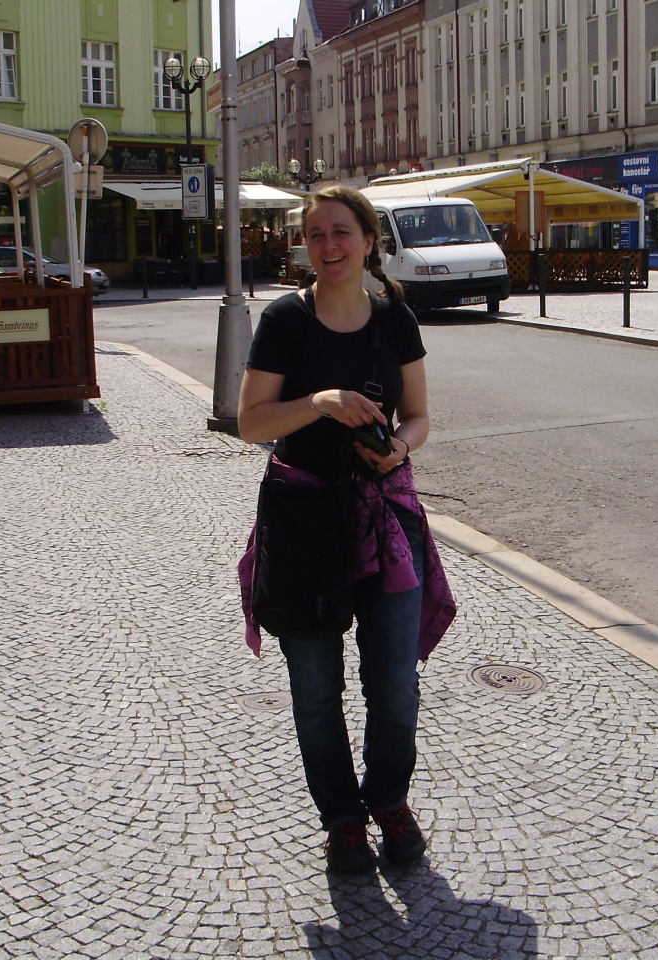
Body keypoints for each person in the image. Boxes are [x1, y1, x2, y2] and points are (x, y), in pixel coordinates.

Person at [236, 185, 457, 874]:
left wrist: (401, 448)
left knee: (395, 683)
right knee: (314, 687)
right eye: (316, 234)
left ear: (367, 240)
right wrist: (320, 402)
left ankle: (388, 800)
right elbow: (251, 423)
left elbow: (419, 415)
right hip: (304, 521)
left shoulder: (395, 319)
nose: (328, 246)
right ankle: (342, 820)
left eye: (341, 232)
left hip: (384, 520)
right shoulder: (285, 320)